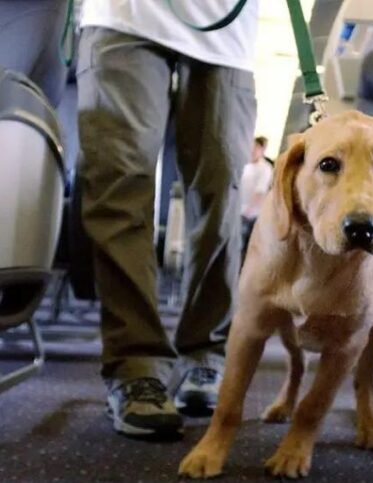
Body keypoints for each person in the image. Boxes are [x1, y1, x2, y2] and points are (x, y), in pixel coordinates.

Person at [76, 0, 258, 438]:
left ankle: (206, 357)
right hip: (124, 17)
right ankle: (134, 365)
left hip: (225, 34)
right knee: (119, 189)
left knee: (219, 199)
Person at [239, 136, 273, 257]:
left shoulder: (265, 168)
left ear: (262, 150)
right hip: (238, 210)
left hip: (250, 214)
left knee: (241, 246)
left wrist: (248, 210)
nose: (252, 150)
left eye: (256, 148)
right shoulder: (246, 165)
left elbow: (260, 192)